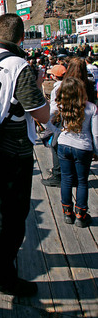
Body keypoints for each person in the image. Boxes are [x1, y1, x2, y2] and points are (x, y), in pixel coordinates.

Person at [0, 13, 49, 297]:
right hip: (14, 149)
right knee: (15, 215)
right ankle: (3, 277)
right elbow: (40, 113)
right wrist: (38, 83)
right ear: (20, 38)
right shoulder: (19, 65)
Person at [55, 77, 98, 227]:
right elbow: (96, 133)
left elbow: (47, 118)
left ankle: (67, 213)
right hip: (83, 146)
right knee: (82, 181)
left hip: (64, 143)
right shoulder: (91, 108)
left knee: (66, 179)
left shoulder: (62, 105)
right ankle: (81, 214)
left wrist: (55, 131)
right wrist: (96, 151)